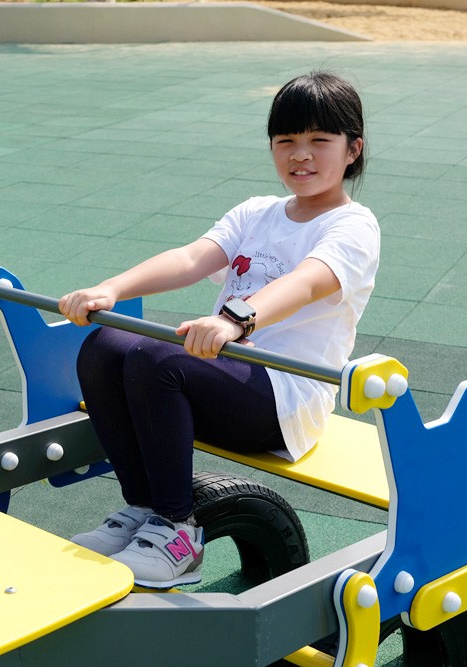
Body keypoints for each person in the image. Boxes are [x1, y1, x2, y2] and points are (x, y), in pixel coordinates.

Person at [58, 71, 380, 588]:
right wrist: (111, 288)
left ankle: (179, 534)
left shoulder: (352, 225)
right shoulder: (257, 212)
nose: (301, 154)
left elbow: (306, 281)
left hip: (285, 400)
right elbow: (190, 257)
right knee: (104, 345)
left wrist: (234, 319)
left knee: (157, 360)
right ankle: (143, 509)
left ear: (352, 149)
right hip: (228, 380)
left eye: (320, 140)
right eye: (287, 141)